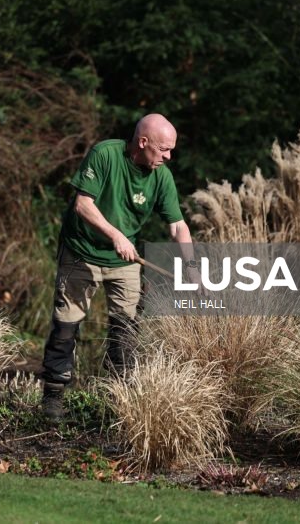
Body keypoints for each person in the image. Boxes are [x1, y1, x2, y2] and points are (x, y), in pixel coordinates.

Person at [40, 113, 200, 420]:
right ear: (143, 142)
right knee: (66, 325)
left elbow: (178, 227)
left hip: (123, 261)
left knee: (124, 331)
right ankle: (53, 400)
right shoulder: (105, 154)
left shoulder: (161, 176)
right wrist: (116, 235)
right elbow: (83, 204)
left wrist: (192, 272)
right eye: (164, 149)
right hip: (82, 251)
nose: (168, 156)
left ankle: (119, 404)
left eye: (171, 150)